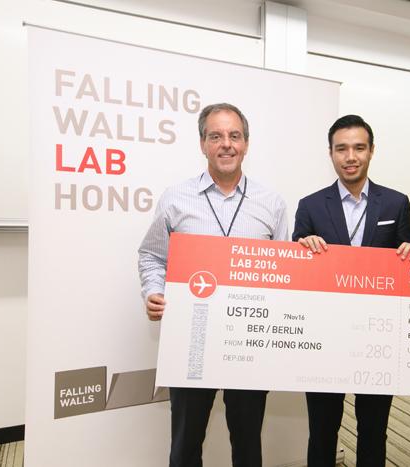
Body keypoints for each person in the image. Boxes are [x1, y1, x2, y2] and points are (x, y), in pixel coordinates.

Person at [138, 103, 287, 467]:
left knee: (249, 442)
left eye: (234, 136)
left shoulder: (272, 203)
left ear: (246, 144)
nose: (226, 144)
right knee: (186, 443)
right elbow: (151, 256)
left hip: (248, 341)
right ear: (202, 143)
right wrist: (153, 291)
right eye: (216, 136)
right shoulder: (176, 198)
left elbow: (284, 274)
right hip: (191, 341)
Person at [293, 114, 410, 467]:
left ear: (371, 151)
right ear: (331, 153)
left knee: (373, 428)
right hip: (324, 337)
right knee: (322, 429)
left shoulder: (396, 203)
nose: (350, 156)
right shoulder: (310, 205)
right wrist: (301, 247)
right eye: (341, 148)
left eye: (358, 147)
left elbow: (406, 263)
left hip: (377, 338)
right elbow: (296, 274)